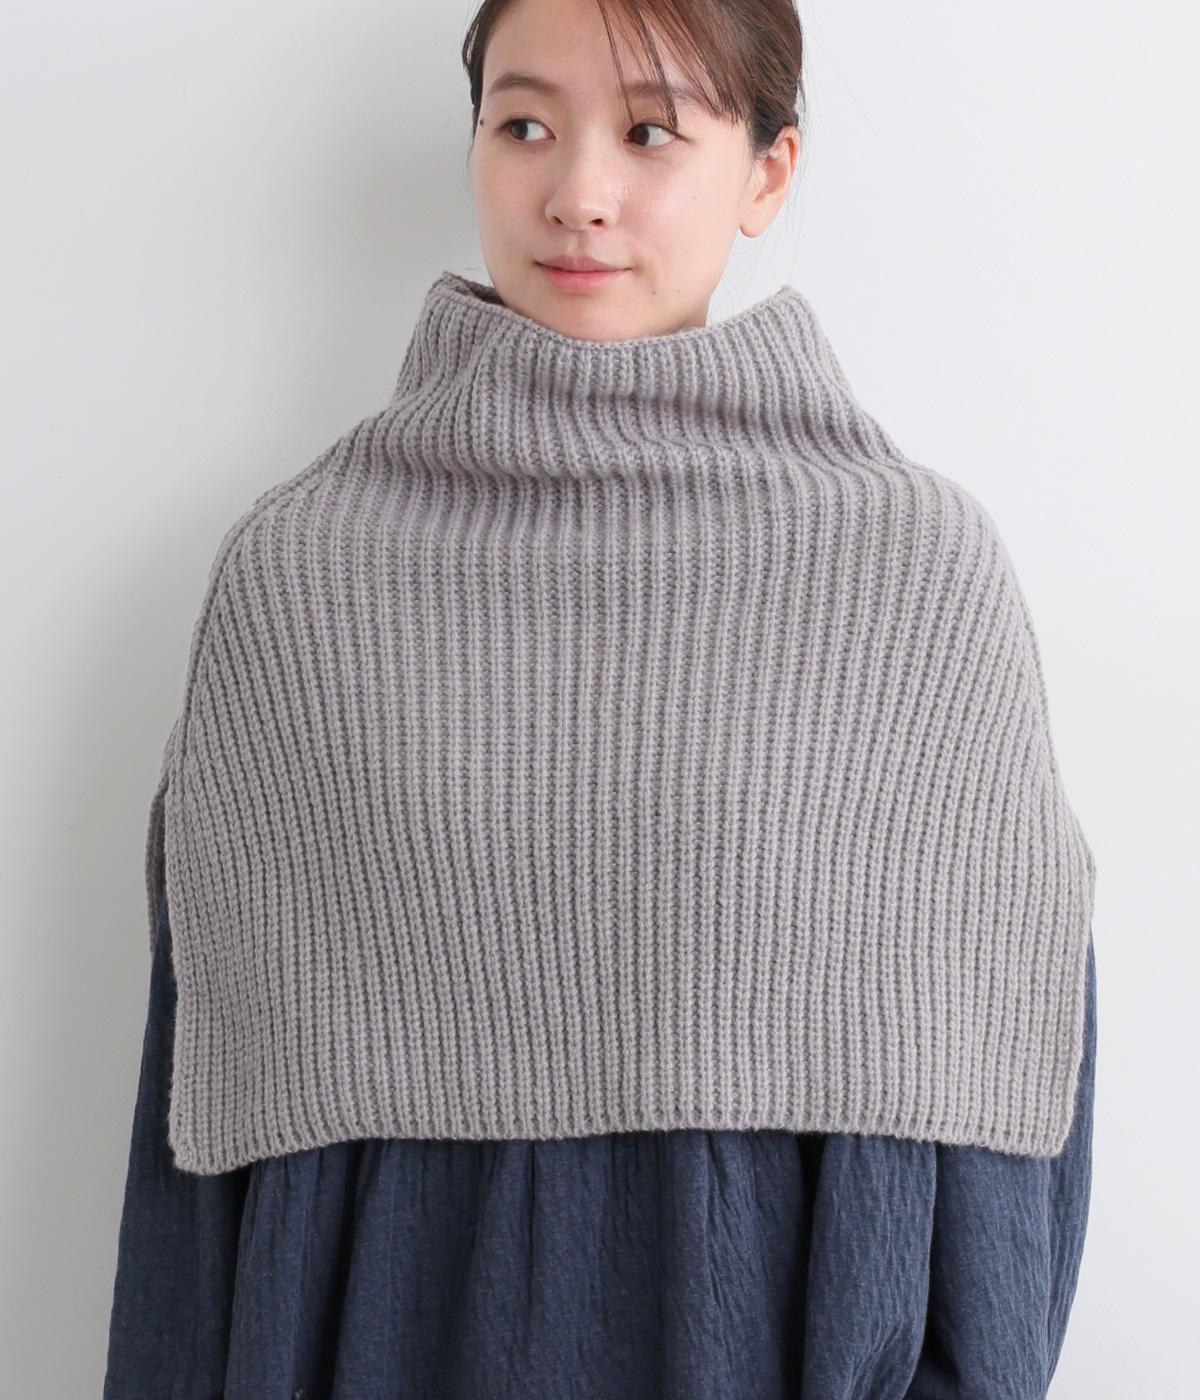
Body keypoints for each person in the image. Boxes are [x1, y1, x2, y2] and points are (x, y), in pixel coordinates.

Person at [104, 1, 1098, 1396]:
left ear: (768, 171)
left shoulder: (916, 579)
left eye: (650, 131)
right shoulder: (297, 579)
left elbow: (998, 1148)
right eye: (523, 125)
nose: (577, 192)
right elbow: (202, 1162)